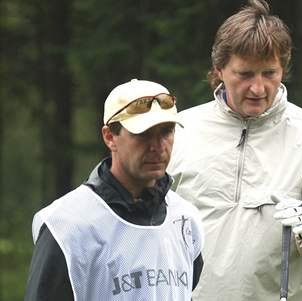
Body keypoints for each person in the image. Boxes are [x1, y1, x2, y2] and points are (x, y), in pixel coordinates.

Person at [167, 0, 302, 300]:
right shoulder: (178, 131)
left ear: (284, 68)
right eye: (245, 74)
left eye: (269, 73)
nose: (258, 88)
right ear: (219, 69)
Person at [25, 79, 204, 301]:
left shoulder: (186, 219)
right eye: (144, 134)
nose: (158, 146)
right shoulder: (66, 225)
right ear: (110, 136)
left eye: (166, 131)